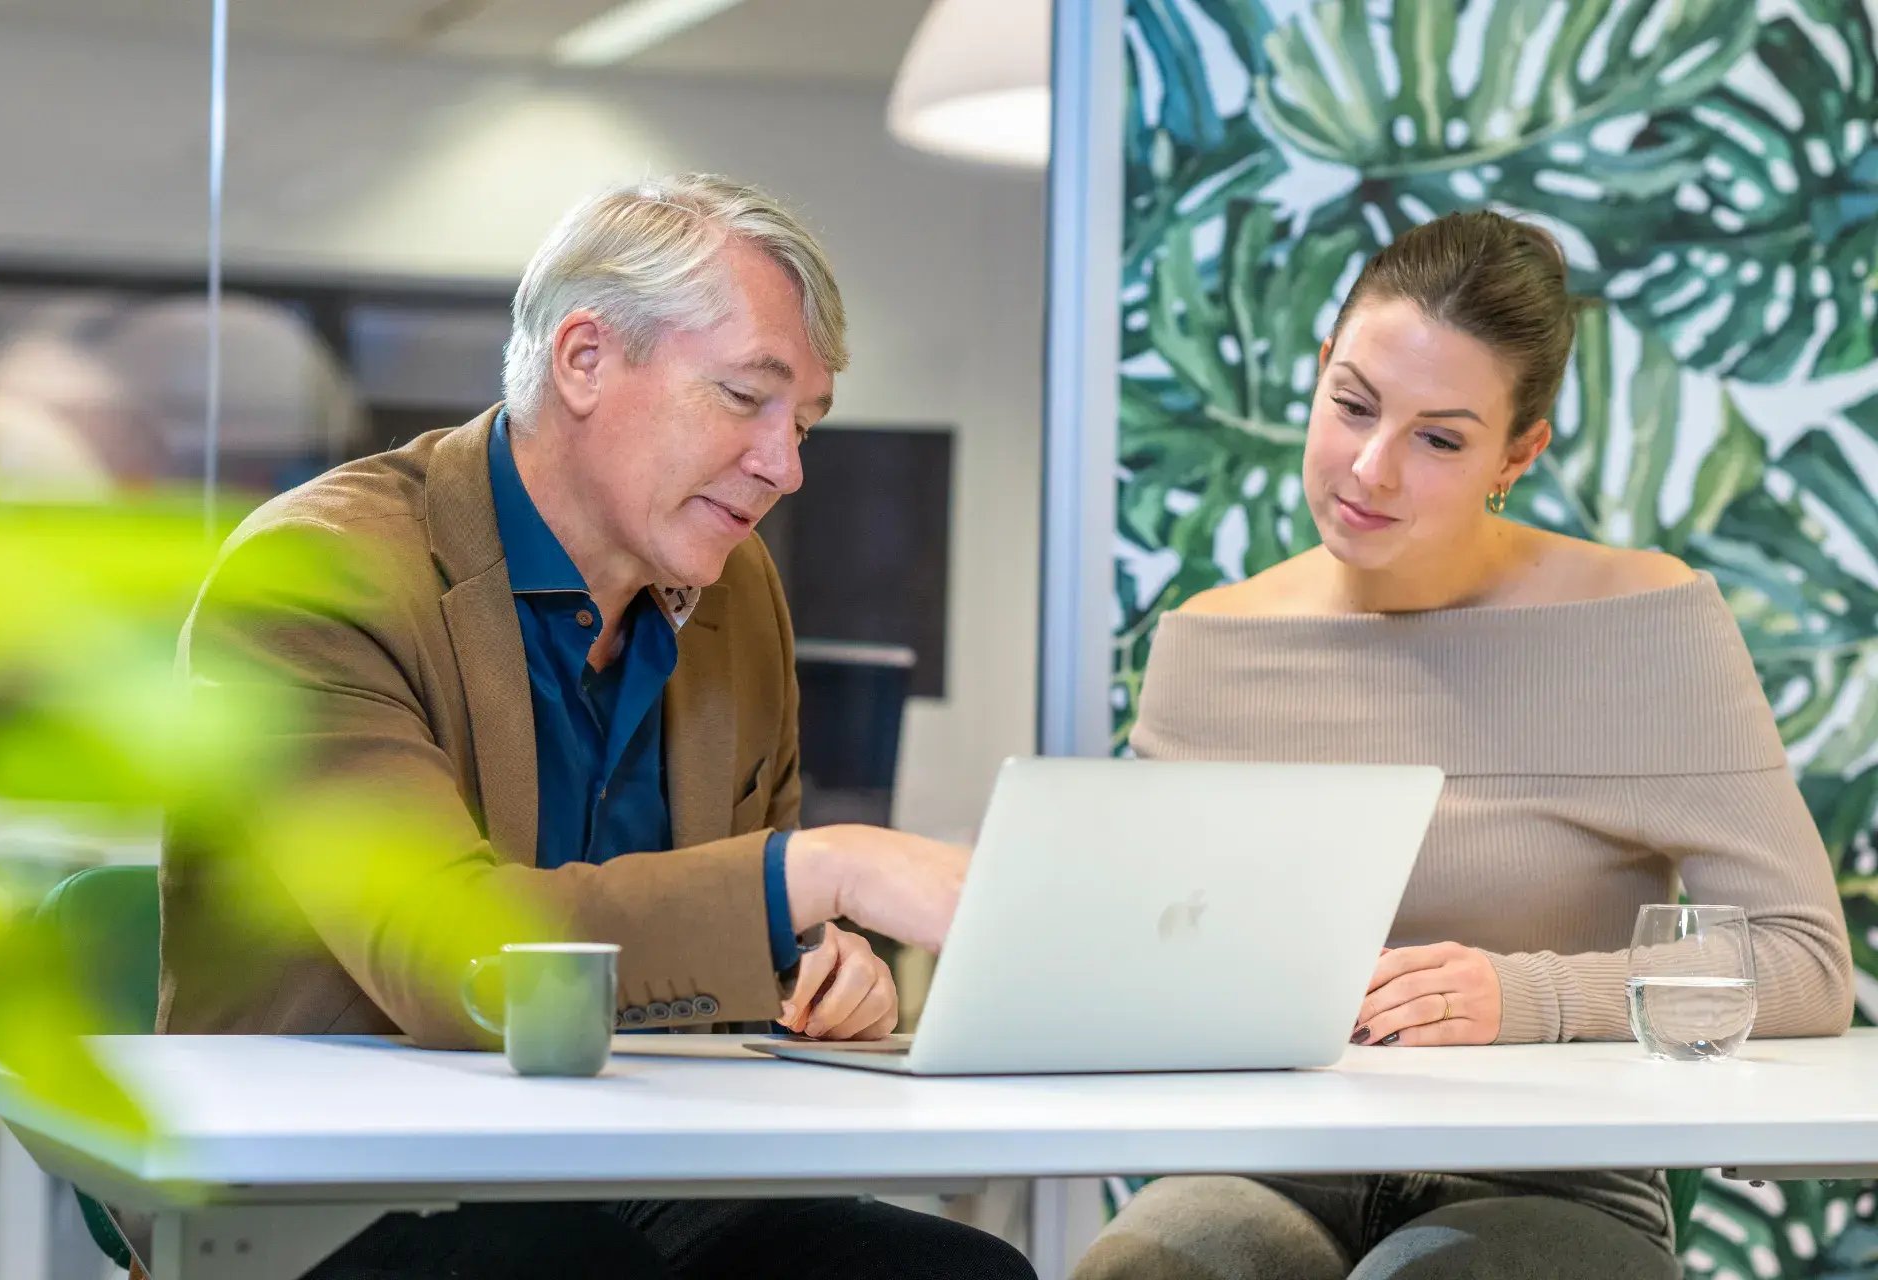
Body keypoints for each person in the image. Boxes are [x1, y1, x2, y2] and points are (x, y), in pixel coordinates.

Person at [155, 175, 1031, 1280]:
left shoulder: (736, 585)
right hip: (336, 1182)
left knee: (955, 1274)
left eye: (802, 423)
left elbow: (756, 923)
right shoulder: (316, 576)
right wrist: (818, 871)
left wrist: (823, 968)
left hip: (638, 1158)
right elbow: (459, 956)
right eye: (745, 398)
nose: (787, 465)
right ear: (583, 360)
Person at [1074, 211, 1854, 1280]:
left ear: (1517, 452)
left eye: (1439, 437)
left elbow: (1803, 961)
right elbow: (1147, 959)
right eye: (1351, 405)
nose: (1371, 469)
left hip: (1554, 1174)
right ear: (1319, 373)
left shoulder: (1648, 626)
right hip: (1270, 1158)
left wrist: (1523, 995)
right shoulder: (1212, 644)